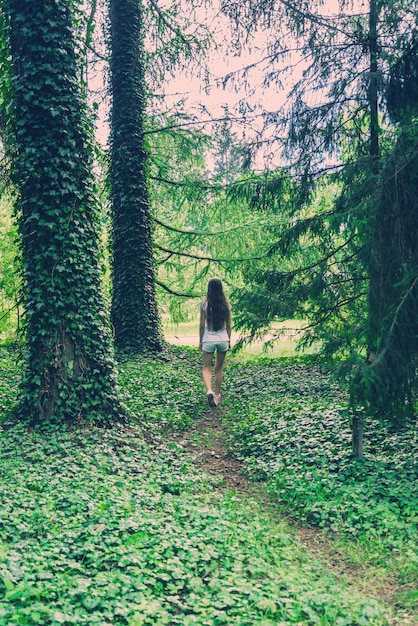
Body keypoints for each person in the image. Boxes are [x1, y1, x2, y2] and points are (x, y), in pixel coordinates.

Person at [199, 278, 232, 407]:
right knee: (219, 368)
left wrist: (201, 341)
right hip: (223, 339)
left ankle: (209, 390)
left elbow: (202, 326)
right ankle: (217, 395)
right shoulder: (226, 305)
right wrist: (228, 340)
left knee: (207, 367)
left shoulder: (204, 304)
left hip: (208, 339)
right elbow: (228, 326)